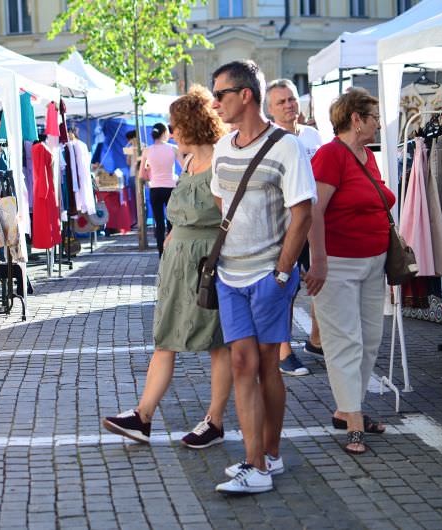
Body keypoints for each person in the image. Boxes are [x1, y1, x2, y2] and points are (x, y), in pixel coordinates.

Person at [102, 86, 230, 448]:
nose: (171, 132)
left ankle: (215, 421)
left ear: (192, 124)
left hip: (207, 260)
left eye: (176, 125)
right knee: (165, 338)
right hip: (179, 262)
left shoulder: (221, 159)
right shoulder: (186, 161)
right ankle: (142, 416)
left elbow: (229, 216)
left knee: (217, 344)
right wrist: (175, 233)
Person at [210, 60, 315, 494]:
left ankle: (266, 458)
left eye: (221, 95)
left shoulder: (285, 147)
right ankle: (258, 459)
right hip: (229, 275)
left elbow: (303, 213)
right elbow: (223, 205)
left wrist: (283, 270)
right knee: (242, 363)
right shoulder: (221, 147)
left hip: (270, 276)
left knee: (268, 367)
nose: (215, 103)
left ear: (245, 95)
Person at [305, 88, 389, 455]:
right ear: (355, 119)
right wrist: (318, 259)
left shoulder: (367, 156)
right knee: (345, 341)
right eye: (373, 117)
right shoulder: (330, 155)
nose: (378, 123)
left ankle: (346, 408)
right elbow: (314, 211)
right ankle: (354, 419)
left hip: (375, 261)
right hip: (338, 263)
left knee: (370, 338)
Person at [266, 78, 325, 376]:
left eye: (291, 99)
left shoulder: (313, 135)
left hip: (317, 222)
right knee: (286, 288)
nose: (290, 105)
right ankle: (283, 350)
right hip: (286, 226)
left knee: (321, 282)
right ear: (270, 109)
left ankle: (316, 340)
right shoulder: (271, 139)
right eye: (282, 102)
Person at [138, 122, 185, 256]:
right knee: (172, 222)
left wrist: (150, 172)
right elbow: (185, 168)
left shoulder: (147, 150)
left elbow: (142, 175)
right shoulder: (173, 148)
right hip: (171, 188)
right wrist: (176, 177)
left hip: (155, 189)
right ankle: (172, 252)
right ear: (165, 133)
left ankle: (161, 253)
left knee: (159, 223)